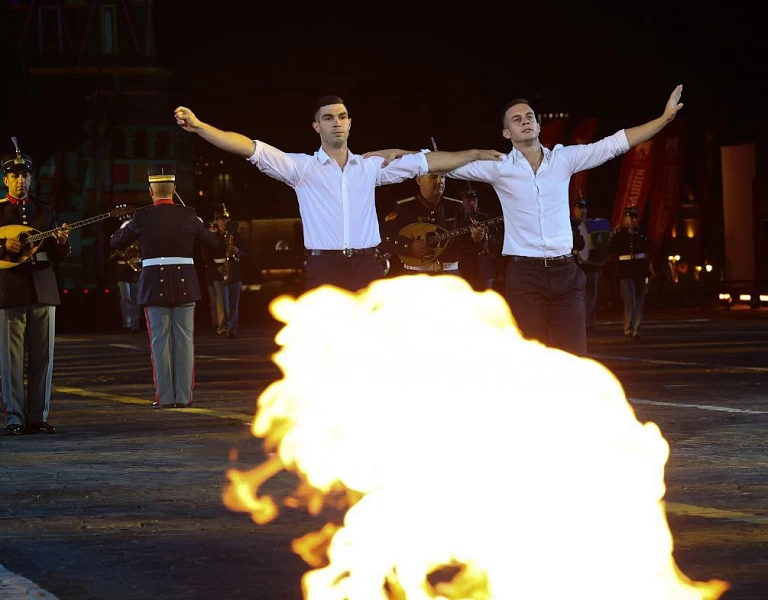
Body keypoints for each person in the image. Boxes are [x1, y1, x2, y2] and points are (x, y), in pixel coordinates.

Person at [435, 85, 684, 356]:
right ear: (507, 133)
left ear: (538, 126)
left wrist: (663, 119)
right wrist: (393, 157)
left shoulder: (564, 158)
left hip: (566, 274)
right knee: (533, 358)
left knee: (574, 357)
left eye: (529, 116)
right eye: (516, 120)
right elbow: (438, 164)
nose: (525, 121)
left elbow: (614, 144)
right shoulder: (499, 167)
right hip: (525, 276)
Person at [173, 96, 501, 292]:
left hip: (368, 264)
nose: (336, 123)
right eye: (328, 118)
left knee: (371, 343)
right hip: (324, 266)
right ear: (316, 126)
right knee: (330, 346)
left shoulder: (369, 167)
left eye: (342, 116)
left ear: (350, 123)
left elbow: (427, 161)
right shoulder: (301, 168)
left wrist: (473, 152)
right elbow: (247, 147)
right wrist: (202, 126)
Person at [110, 168, 219, 408]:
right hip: (185, 284)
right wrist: (200, 224)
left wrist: (128, 224)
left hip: (153, 284)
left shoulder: (141, 216)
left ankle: (165, 398)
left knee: (159, 342)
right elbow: (213, 243)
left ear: (150, 191)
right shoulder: (190, 215)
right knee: (184, 341)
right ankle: (183, 397)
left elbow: (116, 242)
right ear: (174, 190)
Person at [0, 140, 71, 435]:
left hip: (43, 287)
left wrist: (62, 243)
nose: (21, 180)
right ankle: (15, 417)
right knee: (11, 359)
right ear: (5, 180)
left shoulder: (45, 210)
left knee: (43, 358)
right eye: (15, 176)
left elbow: (57, 257)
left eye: (25, 175)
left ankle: (37, 417)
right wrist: (4, 244)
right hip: (10, 289)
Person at [379, 174, 485, 277]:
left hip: (450, 277)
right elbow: (384, 237)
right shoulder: (404, 208)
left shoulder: (456, 207)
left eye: (443, 176)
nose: (440, 181)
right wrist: (409, 246)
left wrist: (478, 238)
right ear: (420, 180)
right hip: (415, 278)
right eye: (434, 177)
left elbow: (468, 242)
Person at [202, 203, 245, 339]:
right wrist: (216, 268)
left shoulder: (236, 236)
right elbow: (206, 256)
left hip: (234, 272)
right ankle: (223, 327)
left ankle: (232, 328)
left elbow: (246, 253)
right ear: (217, 221)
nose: (224, 222)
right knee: (222, 301)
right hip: (218, 273)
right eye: (221, 219)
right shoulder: (212, 236)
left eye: (226, 219)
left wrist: (238, 251)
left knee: (233, 303)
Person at [610, 206, 649, 340]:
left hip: (639, 267)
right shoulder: (620, 233)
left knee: (639, 299)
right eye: (629, 217)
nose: (632, 220)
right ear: (625, 218)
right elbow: (612, 249)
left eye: (634, 217)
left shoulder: (641, 232)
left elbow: (647, 248)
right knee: (629, 299)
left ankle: (637, 327)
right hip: (625, 268)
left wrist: (638, 233)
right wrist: (614, 235)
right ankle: (628, 327)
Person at [458, 184, 503, 290]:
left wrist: (486, 237)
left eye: (474, 199)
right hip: (464, 269)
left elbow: (497, 243)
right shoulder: (458, 220)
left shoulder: (487, 219)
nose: (472, 203)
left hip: (485, 269)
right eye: (468, 200)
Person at [110, 240, 141, 333]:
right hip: (122, 274)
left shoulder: (138, 242)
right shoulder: (119, 243)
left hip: (135, 273)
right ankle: (127, 324)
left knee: (135, 299)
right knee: (125, 298)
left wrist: (138, 259)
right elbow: (111, 258)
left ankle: (135, 325)